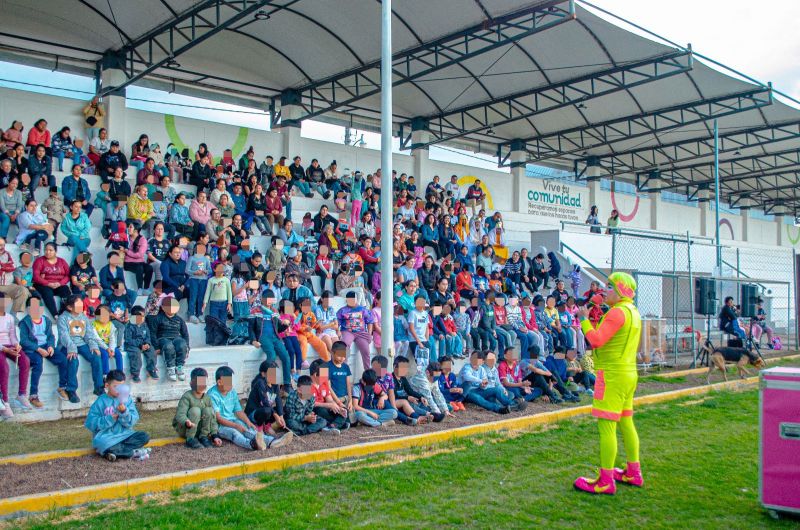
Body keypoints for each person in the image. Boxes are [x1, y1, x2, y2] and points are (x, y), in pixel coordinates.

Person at [573, 272, 643, 495]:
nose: (605, 291)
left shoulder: (616, 313)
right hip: (628, 373)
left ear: (620, 290)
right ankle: (633, 471)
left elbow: (595, 340)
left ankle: (605, 480)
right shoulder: (633, 312)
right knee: (626, 421)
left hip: (612, 375)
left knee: (607, 426)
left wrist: (583, 319)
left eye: (610, 287)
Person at [85, 370, 151, 462]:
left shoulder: (127, 399)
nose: (119, 390)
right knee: (102, 444)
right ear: (107, 385)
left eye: (121, 387)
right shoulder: (100, 402)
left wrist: (124, 412)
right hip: (106, 438)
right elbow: (90, 423)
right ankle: (132, 453)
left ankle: (117, 452)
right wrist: (109, 419)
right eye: (116, 387)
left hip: (125, 435)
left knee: (144, 436)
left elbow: (132, 421)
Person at [209, 366, 276, 451]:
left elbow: (238, 411)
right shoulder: (212, 395)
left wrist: (248, 422)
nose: (231, 383)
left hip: (233, 420)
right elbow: (218, 418)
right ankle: (252, 444)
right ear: (219, 382)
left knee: (248, 428)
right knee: (235, 433)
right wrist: (236, 426)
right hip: (220, 426)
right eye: (228, 381)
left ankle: (272, 441)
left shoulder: (232, 391)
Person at [57, 295, 104, 396]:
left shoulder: (84, 317)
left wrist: (93, 346)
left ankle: (99, 386)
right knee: (73, 360)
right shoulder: (62, 318)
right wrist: (71, 348)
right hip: (67, 345)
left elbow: (89, 334)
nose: (81, 306)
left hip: (82, 343)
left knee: (96, 357)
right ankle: (71, 389)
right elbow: (64, 336)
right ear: (70, 307)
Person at [174, 367, 223, 449]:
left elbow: (213, 419)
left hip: (199, 429)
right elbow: (180, 415)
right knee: (195, 410)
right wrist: (187, 422)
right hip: (186, 429)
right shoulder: (187, 396)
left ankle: (203, 437)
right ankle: (190, 439)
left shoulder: (207, 398)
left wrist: (215, 435)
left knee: (209, 410)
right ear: (192, 383)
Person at [244, 361, 291, 443]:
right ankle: (259, 428)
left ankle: (267, 426)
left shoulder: (275, 385)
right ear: (263, 374)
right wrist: (276, 415)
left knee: (285, 410)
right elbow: (265, 402)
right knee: (267, 410)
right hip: (254, 414)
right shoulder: (260, 383)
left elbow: (278, 400)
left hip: (266, 412)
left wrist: (281, 416)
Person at [0, 293, 30, 417]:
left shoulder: (10, 317)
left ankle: (21, 394)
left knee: (25, 361)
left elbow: (12, 335)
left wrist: (16, 344)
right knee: (4, 367)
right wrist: (5, 350)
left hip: (9, 345)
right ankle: (5, 401)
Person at [148, 296, 190, 382]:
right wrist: (156, 347)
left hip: (176, 338)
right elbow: (152, 333)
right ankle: (170, 368)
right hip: (163, 338)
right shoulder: (157, 318)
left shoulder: (180, 320)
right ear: (163, 307)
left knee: (182, 344)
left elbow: (185, 334)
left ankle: (180, 367)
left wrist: (187, 347)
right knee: (168, 346)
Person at [309, 359, 349, 432]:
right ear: (315, 374)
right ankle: (338, 424)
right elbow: (307, 404)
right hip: (315, 410)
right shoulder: (305, 384)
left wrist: (338, 407)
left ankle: (332, 426)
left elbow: (329, 399)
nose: (326, 378)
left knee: (344, 410)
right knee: (321, 410)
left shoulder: (324, 383)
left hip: (325, 408)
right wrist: (328, 405)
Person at [125, 306, 155, 383]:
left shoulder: (144, 325)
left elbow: (148, 336)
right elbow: (128, 340)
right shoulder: (129, 326)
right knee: (136, 353)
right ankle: (135, 374)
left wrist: (147, 343)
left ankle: (151, 369)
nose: (143, 318)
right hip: (132, 345)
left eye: (143, 316)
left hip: (143, 344)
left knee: (151, 350)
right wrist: (140, 345)